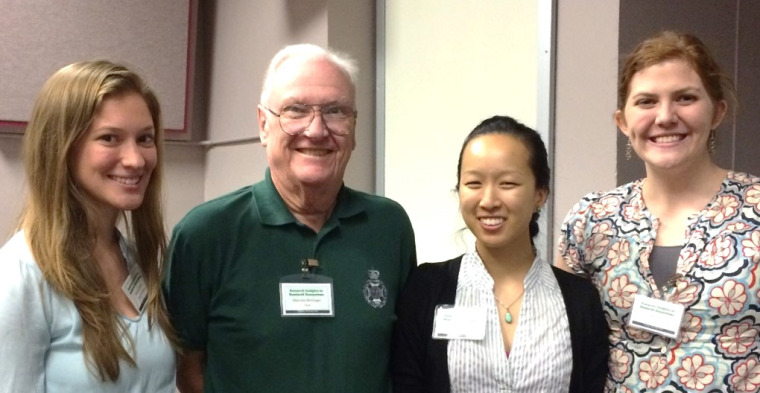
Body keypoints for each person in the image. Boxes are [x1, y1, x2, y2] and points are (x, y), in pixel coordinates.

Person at [162, 43, 417, 392]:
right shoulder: (205, 233)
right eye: (296, 110)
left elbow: (404, 359)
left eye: (336, 112)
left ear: (354, 128)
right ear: (264, 125)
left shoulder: (389, 227)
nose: (316, 130)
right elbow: (188, 368)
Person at [558, 31, 760, 392]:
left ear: (718, 111)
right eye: (647, 101)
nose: (665, 116)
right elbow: (563, 342)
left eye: (685, 98)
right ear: (622, 121)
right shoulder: (591, 221)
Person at [391, 115, 608, 393]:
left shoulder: (579, 300)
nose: (489, 201)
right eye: (473, 183)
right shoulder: (426, 288)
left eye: (507, 184)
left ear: (540, 194)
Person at [0, 60, 176, 392]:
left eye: (145, 139)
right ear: (60, 147)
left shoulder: (128, 255)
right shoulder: (21, 276)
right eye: (109, 138)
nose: (136, 160)